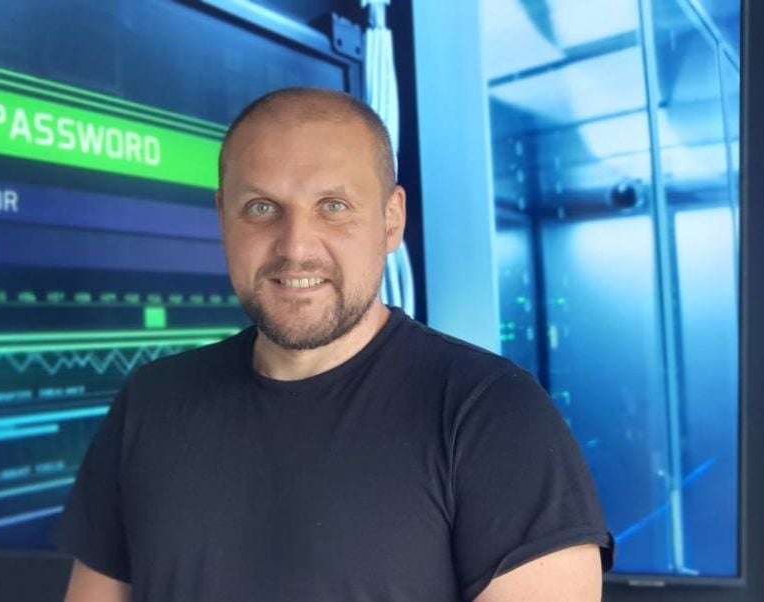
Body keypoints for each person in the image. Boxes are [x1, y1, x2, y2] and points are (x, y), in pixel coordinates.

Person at [58, 87, 613, 602]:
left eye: (334, 206)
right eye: (261, 207)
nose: (296, 247)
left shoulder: (492, 414)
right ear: (223, 219)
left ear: (391, 221)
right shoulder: (152, 402)